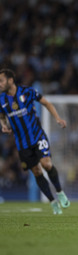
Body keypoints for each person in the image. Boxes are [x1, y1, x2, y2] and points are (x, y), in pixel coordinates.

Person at [0, 69, 70, 214]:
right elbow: (1, 115)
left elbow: (47, 103)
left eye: (1, 81)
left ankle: (60, 192)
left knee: (46, 164)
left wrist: (57, 118)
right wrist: (3, 125)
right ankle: (52, 202)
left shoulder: (27, 91)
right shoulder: (1, 99)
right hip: (22, 143)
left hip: (37, 136)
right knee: (37, 172)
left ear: (11, 80)